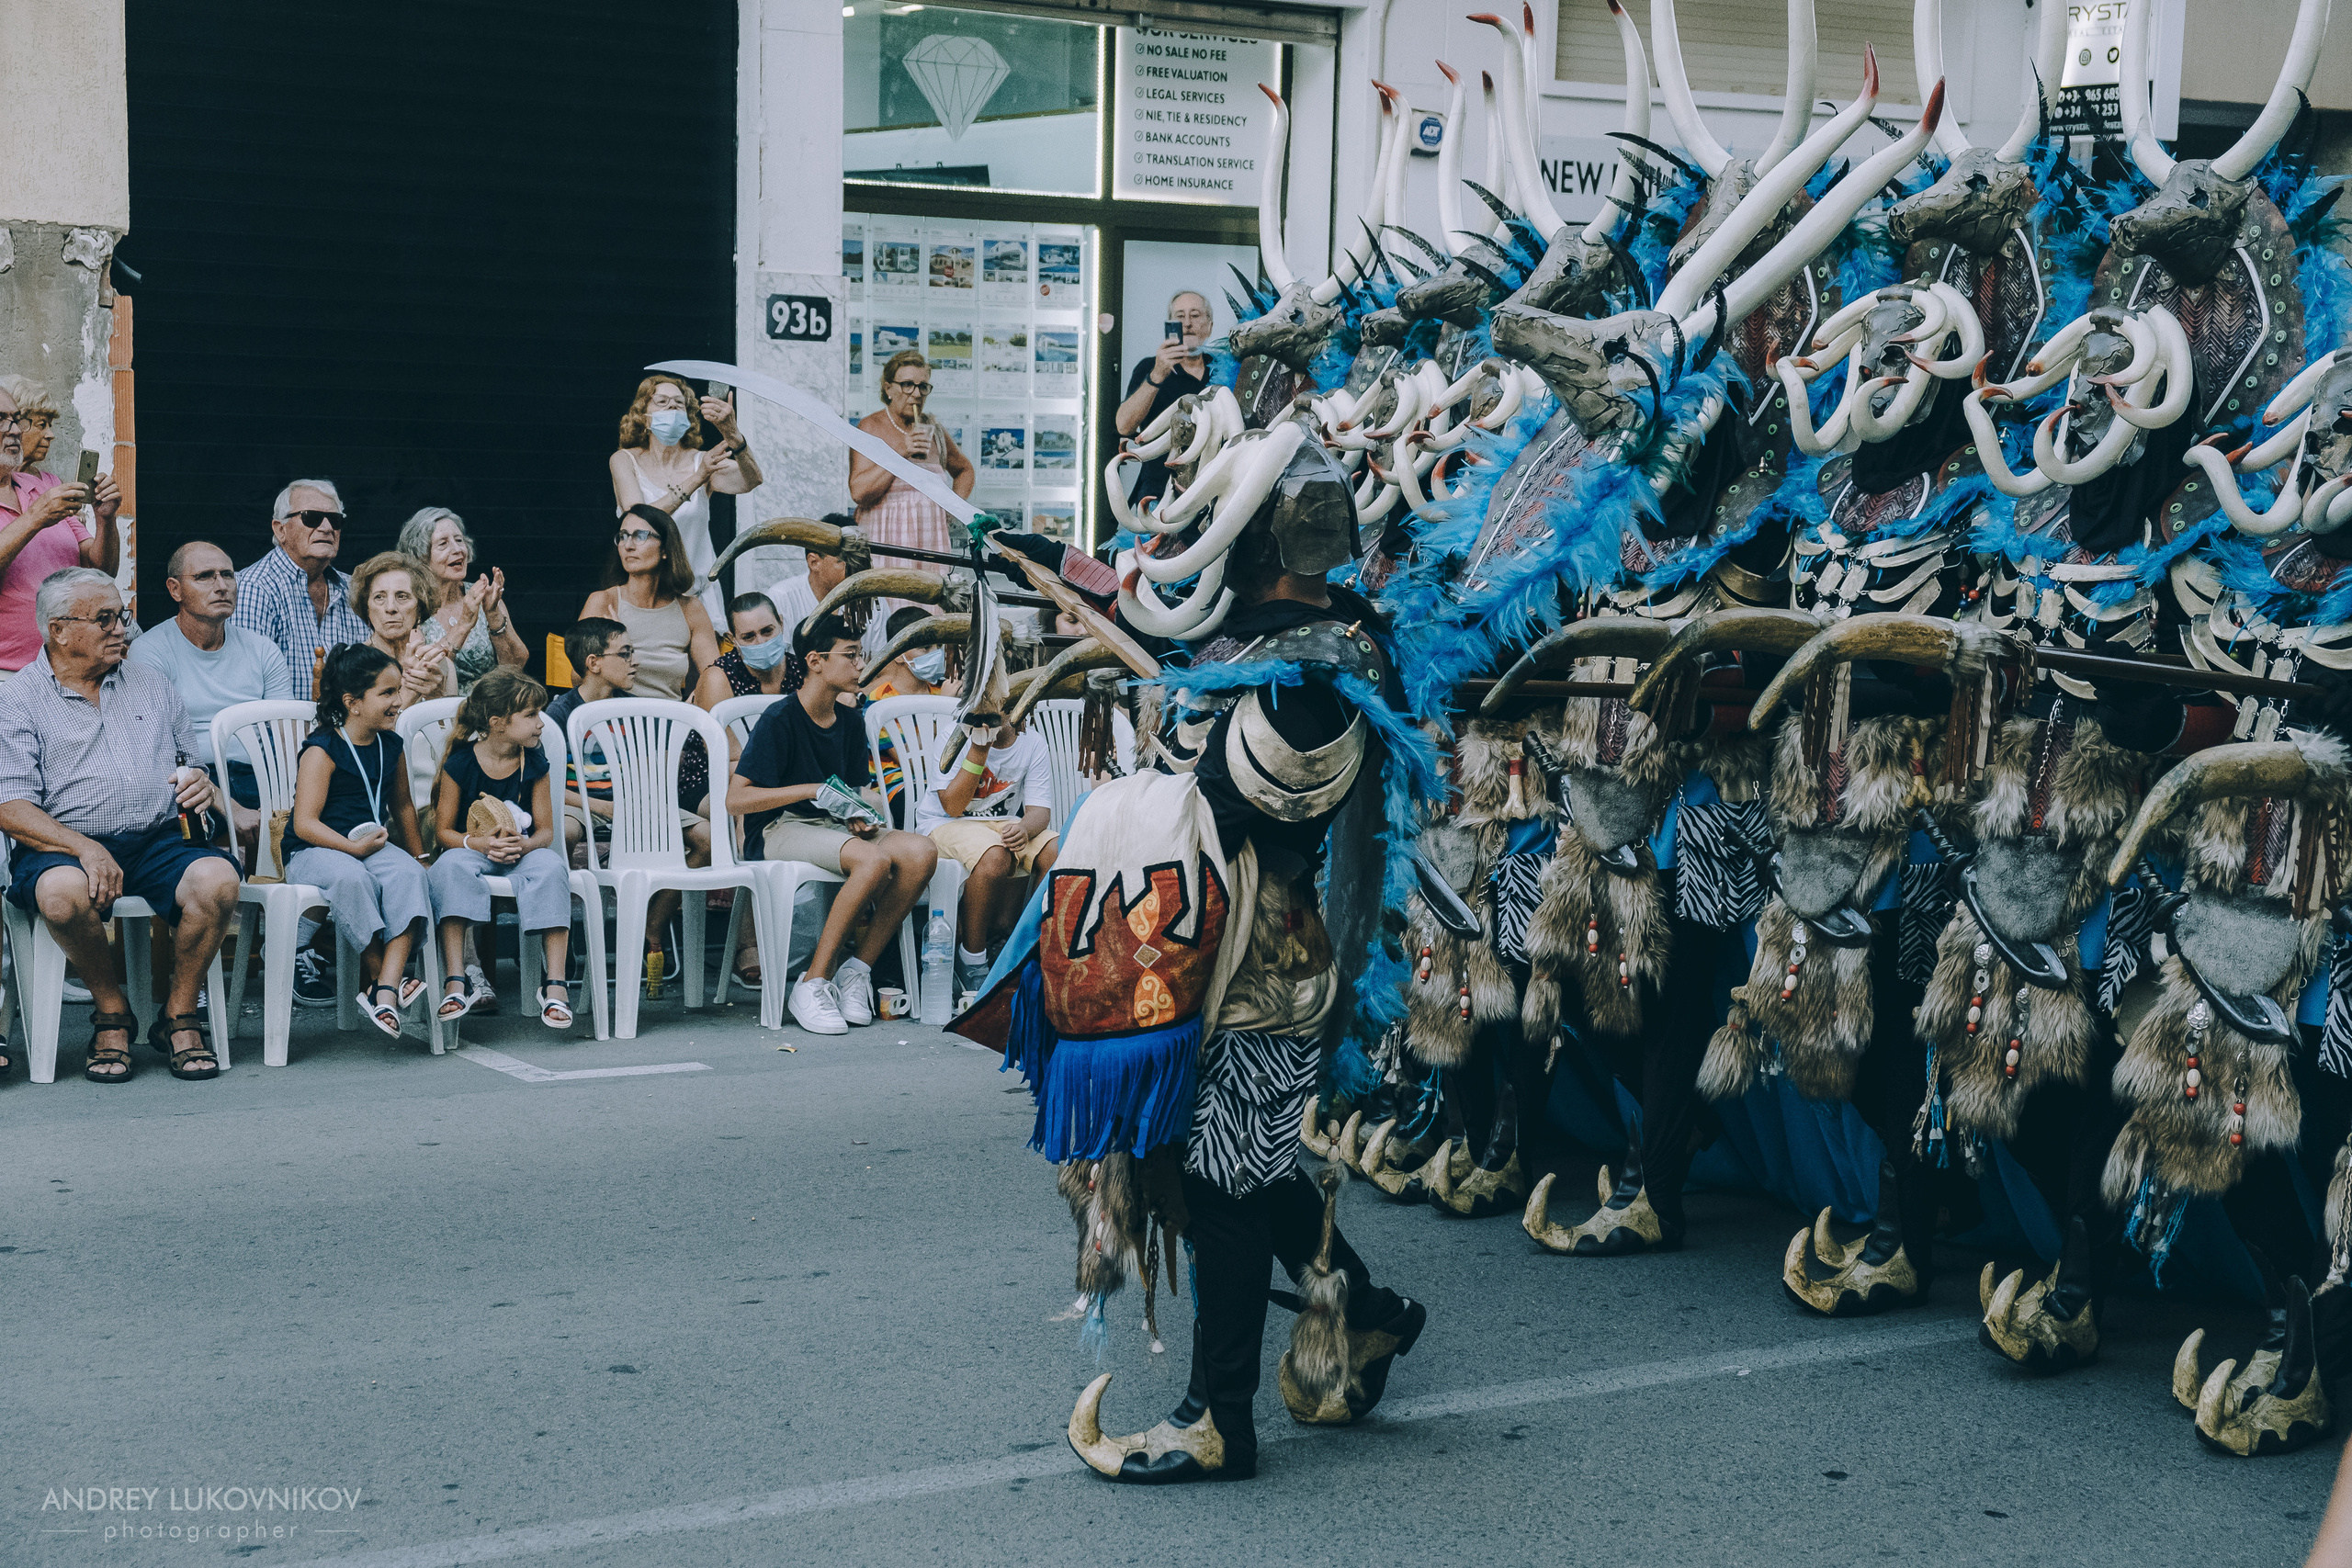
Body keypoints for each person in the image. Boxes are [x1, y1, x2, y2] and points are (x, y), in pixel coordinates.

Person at [956, 424, 1425, 1483]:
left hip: (1256, 966)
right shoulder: (1254, 633)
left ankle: (1219, 1419)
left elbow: (1210, 807)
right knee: (1238, 1171)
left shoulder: (1319, 672)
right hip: (1190, 952)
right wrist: (1041, 555)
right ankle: (1367, 1314)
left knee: (1223, 1182)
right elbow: (1144, 605)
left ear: (1253, 543)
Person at [0, 567, 240, 1083]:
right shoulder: (17, 699)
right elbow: (10, 807)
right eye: (105, 619)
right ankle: (112, 1011)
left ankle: (179, 1013)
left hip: (157, 838)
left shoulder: (151, 684)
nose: (122, 630)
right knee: (63, 892)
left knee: (219, 881)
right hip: (60, 844)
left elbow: (187, 759)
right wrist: (84, 848)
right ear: (58, 629)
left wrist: (198, 779)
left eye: (122, 616)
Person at [728, 612, 936, 1035]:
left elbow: (857, 788)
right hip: (779, 827)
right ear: (816, 661)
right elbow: (737, 800)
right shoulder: (780, 719)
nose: (861, 665)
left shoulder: (851, 720)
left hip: (833, 826)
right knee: (873, 861)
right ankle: (813, 981)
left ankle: (856, 970)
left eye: (860, 655)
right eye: (851, 656)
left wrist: (860, 810)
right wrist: (810, 790)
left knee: (920, 852)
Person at [544, 617, 712, 988]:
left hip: (633, 807)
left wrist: (675, 746)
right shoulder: (559, 713)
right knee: (564, 832)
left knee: (709, 838)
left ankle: (649, 928)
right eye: (625, 653)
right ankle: (560, 938)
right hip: (578, 804)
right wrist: (600, 808)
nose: (635, 661)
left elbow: (651, 772)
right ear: (593, 663)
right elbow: (547, 785)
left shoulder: (634, 709)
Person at [284, 644, 436, 1036]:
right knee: (353, 878)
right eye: (387, 693)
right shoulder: (323, 749)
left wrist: (419, 855)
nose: (399, 701)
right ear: (352, 702)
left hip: (369, 845)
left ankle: (386, 988)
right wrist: (352, 849)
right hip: (316, 849)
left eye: (398, 690)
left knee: (409, 877)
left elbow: (403, 807)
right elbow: (304, 823)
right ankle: (379, 976)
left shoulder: (391, 746)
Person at [426, 668, 574, 1028]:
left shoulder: (533, 762)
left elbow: (546, 832)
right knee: (448, 868)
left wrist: (523, 846)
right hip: (473, 850)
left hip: (520, 854)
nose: (541, 722)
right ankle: (456, 979)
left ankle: (555, 985)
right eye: (531, 715)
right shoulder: (460, 762)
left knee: (552, 867)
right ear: (498, 723)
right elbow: (444, 831)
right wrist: (479, 843)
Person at [125, 540, 293, 853]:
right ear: (175, 590)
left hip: (261, 777)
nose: (221, 586)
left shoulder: (262, 649)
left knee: (313, 824)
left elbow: (288, 739)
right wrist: (232, 809)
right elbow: (156, 751)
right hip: (194, 782)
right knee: (196, 837)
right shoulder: (150, 652)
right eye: (205, 576)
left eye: (228, 575)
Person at [581, 503, 721, 822]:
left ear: (666, 549)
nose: (628, 544)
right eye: (623, 536)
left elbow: (716, 675)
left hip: (674, 734)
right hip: (613, 734)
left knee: (721, 811)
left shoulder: (689, 608)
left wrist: (696, 705)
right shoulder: (603, 601)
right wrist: (615, 644)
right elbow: (582, 681)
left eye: (641, 535)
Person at [918, 712, 1058, 1003]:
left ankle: (1027, 950)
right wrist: (979, 749)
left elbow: (1039, 812)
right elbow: (953, 806)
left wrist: (1024, 828)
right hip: (945, 823)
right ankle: (973, 959)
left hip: (1005, 822)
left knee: (1057, 851)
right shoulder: (953, 735)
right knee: (995, 856)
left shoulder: (1032, 742)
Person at [694, 592, 795, 990]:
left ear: (781, 624)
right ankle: (749, 944)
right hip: (712, 781)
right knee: (752, 816)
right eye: (747, 636)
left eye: (767, 631)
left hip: (784, 780)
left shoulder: (804, 671)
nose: (759, 643)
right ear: (733, 640)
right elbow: (729, 758)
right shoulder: (719, 677)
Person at [609, 375, 762, 626]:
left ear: (688, 417)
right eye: (662, 401)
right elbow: (640, 519)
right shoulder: (625, 460)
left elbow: (752, 479)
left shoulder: (702, 459)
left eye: (679, 404)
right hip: (645, 598)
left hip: (698, 597)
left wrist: (732, 433)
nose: (672, 407)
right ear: (643, 417)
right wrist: (699, 476)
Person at [0, 375, 122, 682]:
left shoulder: (44, 486)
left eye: (16, 420)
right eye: (3, 420)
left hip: (67, 667)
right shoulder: (44, 503)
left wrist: (105, 519)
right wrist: (34, 518)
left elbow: (99, 571)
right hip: (9, 672)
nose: (14, 430)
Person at [233, 479, 370, 701]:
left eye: (334, 520)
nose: (326, 528)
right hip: (281, 732)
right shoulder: (255, 588)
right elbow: (247, 692)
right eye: (312, 517)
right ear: (280, 530)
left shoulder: (355, 588)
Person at [850, 352, 974, 568]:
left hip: (930, 542)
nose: (916, 394)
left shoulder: (933, 430)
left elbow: (965, 470)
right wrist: (900, 452)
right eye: (907, 385)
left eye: (923, 387)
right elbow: (859, 492)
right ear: (888, 389)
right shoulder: (870, 427)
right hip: (884, 539)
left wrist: (951, 510)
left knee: (930, 599)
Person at [397, 507, 528, 692]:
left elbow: (516, 665)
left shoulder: (481, 595)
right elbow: (422, 674)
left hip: (490, 708)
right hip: (436, 710)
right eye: (443, 544)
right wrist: (464, 624)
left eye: (459, 540)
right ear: (420, 556)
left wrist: (493, 615)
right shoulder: (409, 605)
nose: (458, 549)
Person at [1112, 291, 1214, 503]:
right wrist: (1157, 375)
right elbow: (1124, 426)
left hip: (1212, 492)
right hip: (1159, 494)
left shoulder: (1227, 369)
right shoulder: (1150, 367)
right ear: (1170, 325)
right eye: (1179, 316)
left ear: (1209, 325)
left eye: (1195, 315)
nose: (1187, 324)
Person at [864, 604, 953, 822]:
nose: (936, 654)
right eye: (925, 648)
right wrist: (942, 708)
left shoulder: (942, 690)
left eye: (938, 646)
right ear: (897, 654)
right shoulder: (880, 699)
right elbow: (914, 762)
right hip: (899, 788)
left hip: (942, 785)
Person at [352, 550, 456, 707]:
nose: (391, 608)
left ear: (420, 608)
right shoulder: (353, 665)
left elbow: (450, 729)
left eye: (402, 596)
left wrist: (434, 695)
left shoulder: (441, 665)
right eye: (379, 597)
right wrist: (410, 692)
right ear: (367, 609)